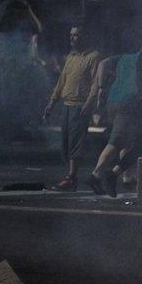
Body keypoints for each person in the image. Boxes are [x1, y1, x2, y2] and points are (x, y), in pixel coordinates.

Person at [86, 37, 142, 197]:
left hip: (113, 101)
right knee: (116, 142)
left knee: (126, 140)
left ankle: (126, 177)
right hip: (128, 103)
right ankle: (95, 175)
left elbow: (102, 64)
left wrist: (102, 88)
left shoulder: (122, 58)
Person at [42, 25, 101, 191]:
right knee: (65, 143)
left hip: (80, 105)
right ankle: (70, 177)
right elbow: (62, 81)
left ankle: (71, 177)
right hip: (66, 105)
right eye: (71, 35)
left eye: (76, 35)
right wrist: (52, 102)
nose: (72, 38)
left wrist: (89, 104)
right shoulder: (71, 56)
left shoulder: (93, 56)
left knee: (75, 142)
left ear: (84, 37)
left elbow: (95, 83)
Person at [0, 0, 49, 157]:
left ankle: (10, 132)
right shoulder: (2, 32)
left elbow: (34, 36)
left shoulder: (21, 31)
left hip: (14, 71)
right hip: (5, 71)